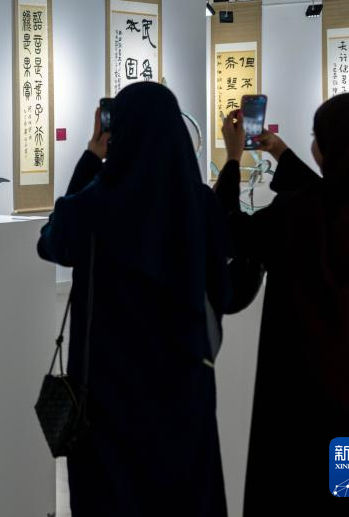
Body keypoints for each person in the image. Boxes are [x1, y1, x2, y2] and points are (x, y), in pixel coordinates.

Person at [38, 82, 234, 516]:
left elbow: (52, 243)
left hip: (107, 395)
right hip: (184, 387)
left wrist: (91, 157)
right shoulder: (200, 204)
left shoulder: (93, 204)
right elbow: (225, 292)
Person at [217, 93, 349, 516]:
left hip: (298, 405)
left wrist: (232, 160)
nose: (313, 145)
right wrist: (280, 153)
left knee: (296, 495)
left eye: (317, 137)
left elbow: (230, 233)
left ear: (335, 146)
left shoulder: (298, 216)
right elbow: (337, 198)